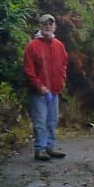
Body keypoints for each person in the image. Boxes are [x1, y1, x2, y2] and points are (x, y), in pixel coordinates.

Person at [23, 13, 69, 162]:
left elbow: (64, 65)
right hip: (38, 93)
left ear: (54, 26)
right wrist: (39, 86)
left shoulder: (59, 45)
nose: (48, 27)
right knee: (40, 122)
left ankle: (50, 147)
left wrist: (62, 80)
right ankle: (40, 149)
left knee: (52, 121)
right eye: (45, 24)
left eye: (50, 24)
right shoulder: (32, 46)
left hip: (54, 91)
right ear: (40, 26)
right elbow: (28, 70)